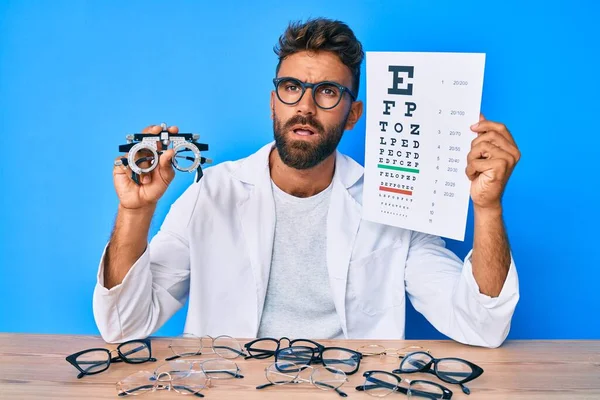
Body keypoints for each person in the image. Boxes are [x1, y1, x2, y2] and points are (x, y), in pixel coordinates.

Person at [94, 18, 520, 348]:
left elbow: (481, 325)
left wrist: (488, 209)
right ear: (272, 102)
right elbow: (122, 324)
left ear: (354, 114)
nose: (305, 106)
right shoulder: (213, 192)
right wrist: (135, 212)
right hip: (230, 387)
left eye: (328, 92)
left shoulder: (392, 202)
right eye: (292, 87)